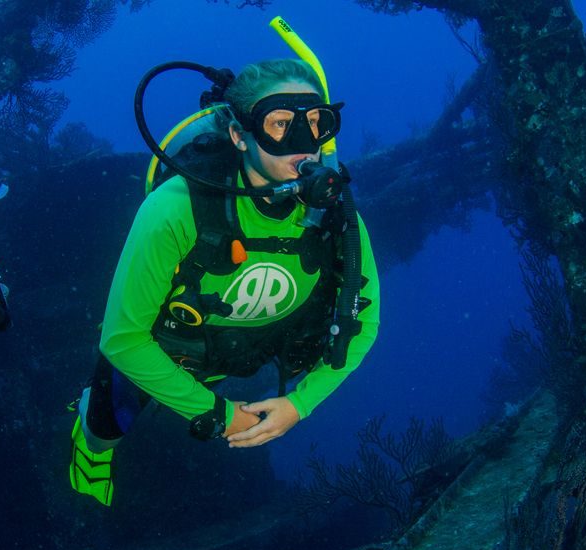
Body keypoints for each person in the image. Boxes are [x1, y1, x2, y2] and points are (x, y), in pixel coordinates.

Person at [68, 58, 381, 506]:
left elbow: (363, 321)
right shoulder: (173, 208)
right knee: (107, 418)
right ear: (239, 134)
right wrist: (216, 414)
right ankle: (91, 444)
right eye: (279, 124)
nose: (303, 143)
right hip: (176, 347)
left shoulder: (337, 215)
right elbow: (122, 340)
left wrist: (300, 404)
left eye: (316, 123)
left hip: (261, 347)